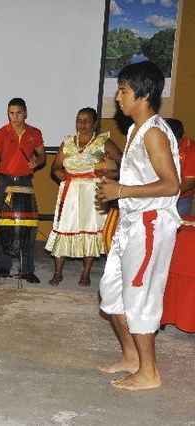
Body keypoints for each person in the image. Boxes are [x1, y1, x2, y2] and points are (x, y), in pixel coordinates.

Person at [96, 61, 181, 391]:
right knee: (112, 293)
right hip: (130, 224)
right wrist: (116, 177)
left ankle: (150, 373)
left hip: (149, 225)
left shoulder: (156, 133)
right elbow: (142, 176)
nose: (118, 98)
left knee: (140, 297)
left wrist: (121, 191)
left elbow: (171, 184)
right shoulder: (135, 130)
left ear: (144, 94)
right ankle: (131, 357)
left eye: (123, 91)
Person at [45, 107, 123, 286]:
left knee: (91, 229)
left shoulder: (103, 142)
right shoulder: (67, 143)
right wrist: (57, 173)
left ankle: (86, 273)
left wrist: (111, 172)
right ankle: (58, 272)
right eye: (79, 120)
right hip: (70, 191)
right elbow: (55, 166)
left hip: (92, 192)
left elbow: (123, 161)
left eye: (86, 120)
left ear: (95, 123)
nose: (82, 124)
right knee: (63, 228)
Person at [0, 98, 46, 283]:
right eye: (11, 113)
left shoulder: (34, 133)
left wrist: (36, 161)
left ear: (25, 112)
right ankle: (4, 266)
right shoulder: (0, 133)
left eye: (18, 113)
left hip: (25, 183)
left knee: (27, 228)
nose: (15, 116)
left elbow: (42, 155)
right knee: (3, 226)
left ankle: (27, 269)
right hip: (4, 182)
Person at [166, 118, 195, 216]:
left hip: (181, 199)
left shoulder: (192, 150)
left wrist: (164, 191)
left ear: (183, 136)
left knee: (177, 228)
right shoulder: (158, 144)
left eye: (176, 142)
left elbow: (189, 183)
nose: (171, 146)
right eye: (168, 142)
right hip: (158, 196)